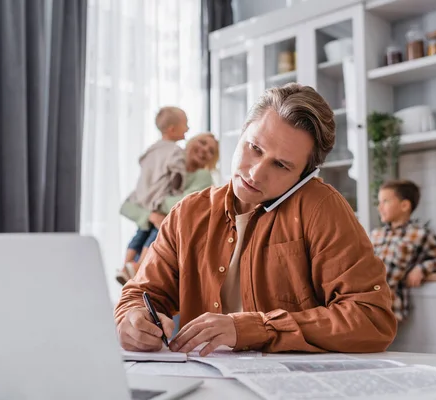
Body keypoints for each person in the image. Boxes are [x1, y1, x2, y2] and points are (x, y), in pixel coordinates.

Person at [114, 83, 397, 356]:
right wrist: (132, 319)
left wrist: (254, 328)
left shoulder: (321, 208)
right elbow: (142, 294)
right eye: (255, 148)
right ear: (242, 133)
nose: (256, 173)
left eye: (281, 165)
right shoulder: (186, 214)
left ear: (303, 177)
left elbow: (371, 318)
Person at [117, 133, 220, 285]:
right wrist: (151, 216)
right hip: (149, 242)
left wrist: (155, 202)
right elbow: (126, 206)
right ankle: (128, 266)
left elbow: (184, 204)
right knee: (145, 229)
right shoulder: (166, 172)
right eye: (202, 143)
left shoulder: (203, 177)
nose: (205, 150)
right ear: (190, 142)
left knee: (162, 224)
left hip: (170, 247)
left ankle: (137, 268)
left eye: (211, 151)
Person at [115, 106, 189, 285]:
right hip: (158, 198)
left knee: (140, 233)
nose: (188, 128)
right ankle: (139, 265)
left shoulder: (151, 149)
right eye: (185, 125)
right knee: (157, 232)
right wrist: (178, 185)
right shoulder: (175, 151)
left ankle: (126, 265)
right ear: (172, 129)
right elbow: (177, 173)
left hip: (143, 197)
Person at [370, 180, 436, 322]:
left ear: (405, 205)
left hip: (388, 307)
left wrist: (422, 268)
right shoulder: (375, 234)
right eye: (379, 202)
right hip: (364, 302)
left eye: (385, 201)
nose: (379, 207)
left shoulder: (420, 234)